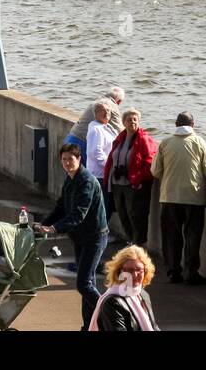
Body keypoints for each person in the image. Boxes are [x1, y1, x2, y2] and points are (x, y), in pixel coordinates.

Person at [34, 143, 109, 329]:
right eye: (64, 159)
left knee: (84, 284)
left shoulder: (87, 181)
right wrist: (44, 224)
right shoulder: (70, 179)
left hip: (94, 237)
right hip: (80, 237)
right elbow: (61, 207)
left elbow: (78, 214)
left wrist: (54, 229)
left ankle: (111, 315)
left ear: (79, 159)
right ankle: (89, 325)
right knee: (88, 283)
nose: (67, 163)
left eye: (71, 159)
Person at [151, 111, 206, 285]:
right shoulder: (199, 142)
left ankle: (173, 272)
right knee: (192, 236)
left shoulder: (165, 143)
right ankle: (191, 273)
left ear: (175, 124)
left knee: (171, 237)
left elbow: (155, 171)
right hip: (193, 197)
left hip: (169, 197)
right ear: (193, 125)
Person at [103, 107, 158, 247]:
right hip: (117, 184)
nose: (132, 122)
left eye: (135, 119)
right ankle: (131, 241)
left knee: (136, 215)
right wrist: (108, 177)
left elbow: (150, 162)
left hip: (135, 185)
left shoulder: (144, 139)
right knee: (123, 214)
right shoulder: (120, 138)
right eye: (129, 119)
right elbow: (112, 157)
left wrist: (138, 178)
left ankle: (139, 245)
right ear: (124, 122)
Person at [90, 245, 160, 331]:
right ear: (119, 272)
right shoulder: (112, 302)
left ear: (145, 271)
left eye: (139, 269)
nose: (134, 275)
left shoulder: (143, 295)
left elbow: (153, 327)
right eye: (130, 270)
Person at [64, 86, 124, 161]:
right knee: (84, 171)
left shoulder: (96, 101)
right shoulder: (111, 106)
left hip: (70, 138)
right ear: (119, 102)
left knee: (72, 171)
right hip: (82, 143)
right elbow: (120, 131)